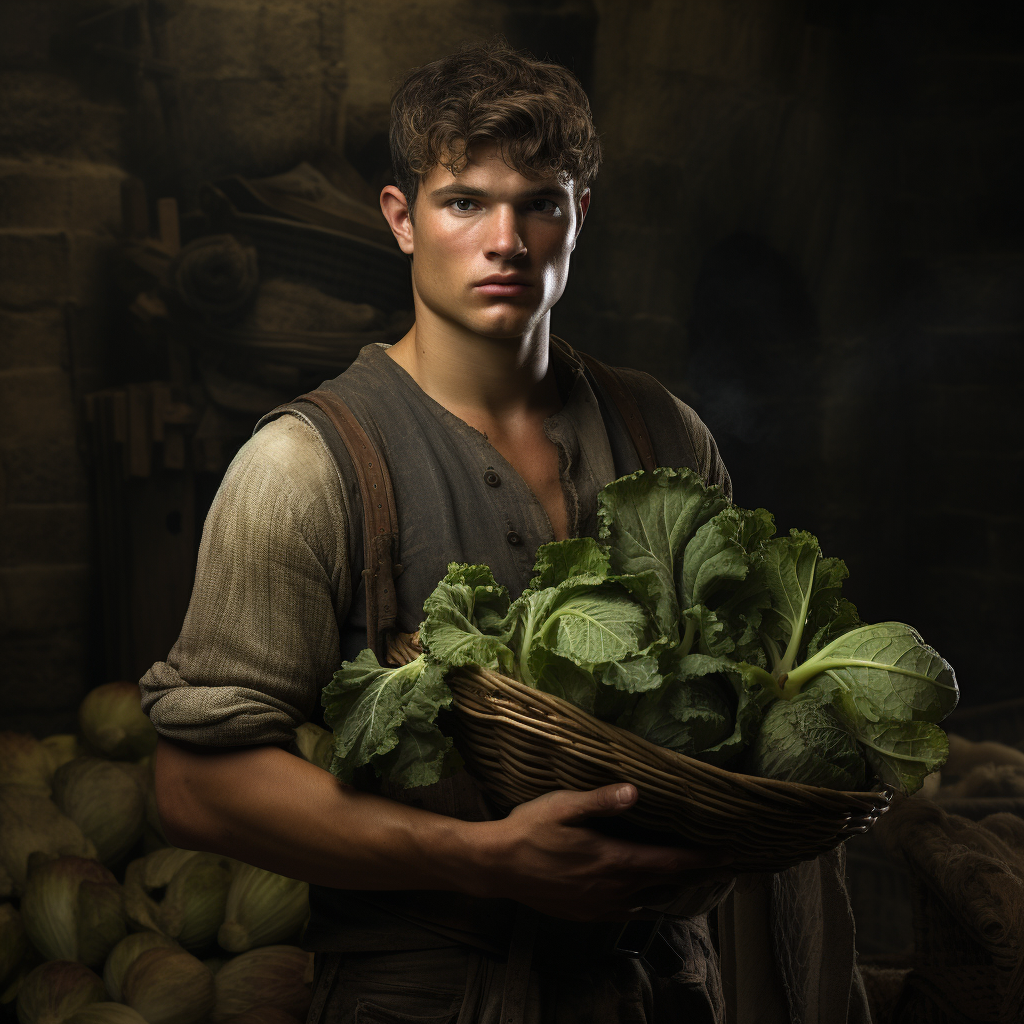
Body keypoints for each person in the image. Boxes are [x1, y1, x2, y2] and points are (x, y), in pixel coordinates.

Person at [143, 42, 867, 1024]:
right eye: (464, 202)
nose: (506, 239)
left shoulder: (664, 434)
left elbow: (727, 702)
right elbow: (193, 785)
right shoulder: (304, 465)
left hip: (665, 987)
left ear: (578, 221)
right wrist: (478, 857)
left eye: (541, 203)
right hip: (431, 993)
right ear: (402, 219)